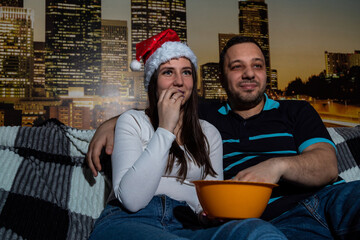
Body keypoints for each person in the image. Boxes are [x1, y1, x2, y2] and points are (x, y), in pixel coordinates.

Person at [87, 33, 360, 239]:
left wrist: (277, 166)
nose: (250, 74)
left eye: (258, 65)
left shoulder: (295, 110)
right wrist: (109, 124)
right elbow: (159, 109)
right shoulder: (209, 116)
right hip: (274, 221)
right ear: (221, 77)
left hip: (329, 200)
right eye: (237, 67)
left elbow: (327, 166)